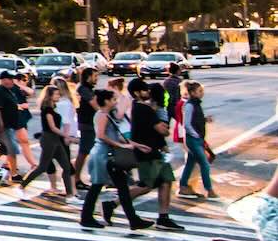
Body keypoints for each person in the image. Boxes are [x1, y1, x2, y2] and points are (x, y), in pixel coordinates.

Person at [106, 77, 182, 232]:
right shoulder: (144, 109)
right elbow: (163, 130)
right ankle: (112, 204)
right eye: (145, 90)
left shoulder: (139, 107)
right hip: (147, 153)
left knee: (166, 181)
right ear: (137, 93)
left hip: (155, 151)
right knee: (146, 185)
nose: (148, 92)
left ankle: (163, 217)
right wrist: (163, 123)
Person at [79, 88, 152, 231]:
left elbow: (116, 135)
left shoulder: (107, 115)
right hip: (103, 156)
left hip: (108, 155)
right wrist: (121, 146)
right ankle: (86, 217)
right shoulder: (102, 115)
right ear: (106, 101)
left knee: (122, 188)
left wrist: (136, 145)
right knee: (97, 186)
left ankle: (133, 220)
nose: (115, 102)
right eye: (113, 99)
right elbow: (101, 135)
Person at [20, 83, 75, 197]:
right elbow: (52, 127)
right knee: (43, 167)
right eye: (56, 94)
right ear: (49, 96)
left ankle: (70, 194)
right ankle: (22, 185)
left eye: (59, 94)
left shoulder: (53, 108)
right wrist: (66, 135)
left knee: (67, 166)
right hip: (49, 139)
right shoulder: (47, 109)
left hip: (56, 139)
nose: (58, 96)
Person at [178, 80, 218, 200]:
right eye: (200, 91)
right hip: (193, 140)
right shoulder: (190, 105)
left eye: (202, 91)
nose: (202, 93)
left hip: (197, 139)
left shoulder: (195, 104)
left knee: (190, 164)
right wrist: (196, 135)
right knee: (204, 164)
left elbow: (195, 119)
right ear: (192, 92)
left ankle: (183, 186)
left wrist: (205, 119)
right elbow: (187, 124)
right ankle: (209, 190)